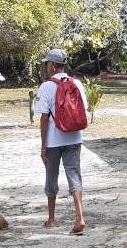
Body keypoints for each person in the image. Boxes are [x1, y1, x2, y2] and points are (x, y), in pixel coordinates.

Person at [35, 49, 88, 235]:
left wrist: (43, 147)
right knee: (74, 175)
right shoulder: (77, 83)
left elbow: (44, 118)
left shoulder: (46, 86)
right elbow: (83, 109)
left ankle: (51, 220)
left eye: (47, 63)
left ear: (53, 65)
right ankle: (79, 217)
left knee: (52, 176)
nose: (46, 67)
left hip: (53, 140)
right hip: (74, 137)